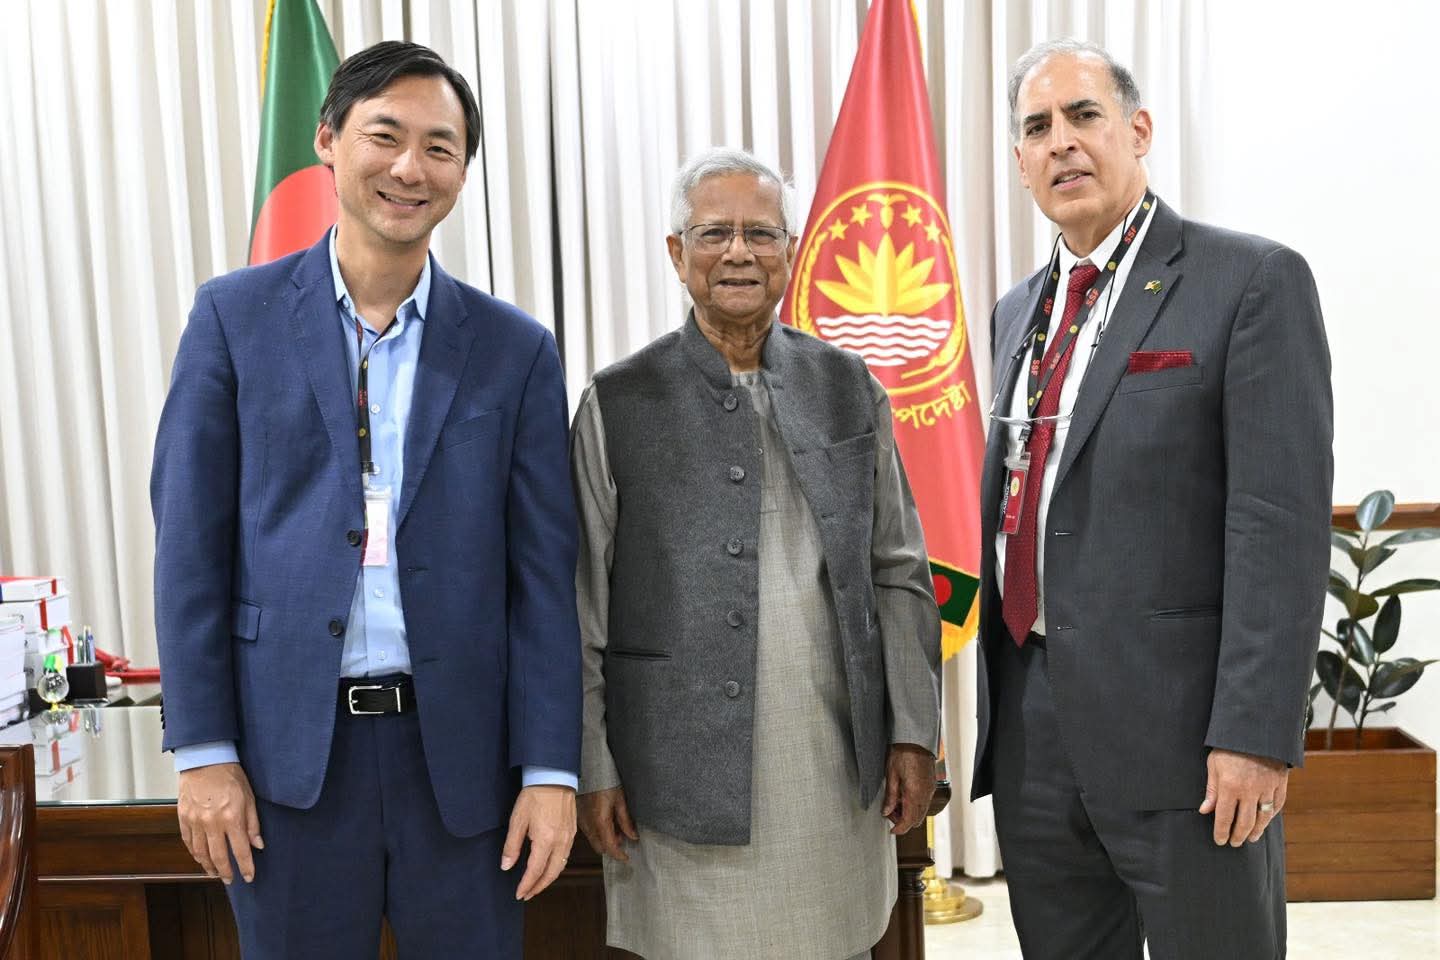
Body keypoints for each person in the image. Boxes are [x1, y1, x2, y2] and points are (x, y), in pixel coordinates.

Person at [151, 40, 581, 958]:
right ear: (328, 139)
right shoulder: (234, 319)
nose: (409, 168)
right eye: (385, 136)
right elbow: (189, 548)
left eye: (439, 146)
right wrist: (204, 751)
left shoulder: (515, 350)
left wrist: (551, 768)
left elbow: (544, 580)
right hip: (285, 768)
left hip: (463, 769)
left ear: (461, 170)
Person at [970, 39, 1333, 959]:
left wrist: (1256, 734)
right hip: (1034, 728)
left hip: (1188, 738)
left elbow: (1278, 526)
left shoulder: (1248, 280)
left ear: (1137, 130)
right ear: (1019, 161)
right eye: (1037, 128)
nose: (1061, 142)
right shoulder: (1016, 313)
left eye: (1083, 115)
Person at [570, 148, 942, 960]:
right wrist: (593, 763)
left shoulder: (849, 385)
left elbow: (900, 572)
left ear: (790, 251)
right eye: (714, 234)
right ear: (677, 253)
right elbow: (583, 603)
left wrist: (915, 731)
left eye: (760, 233)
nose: (738, 252)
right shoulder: (618, 401)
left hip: (831, 763)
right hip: (673, 774)